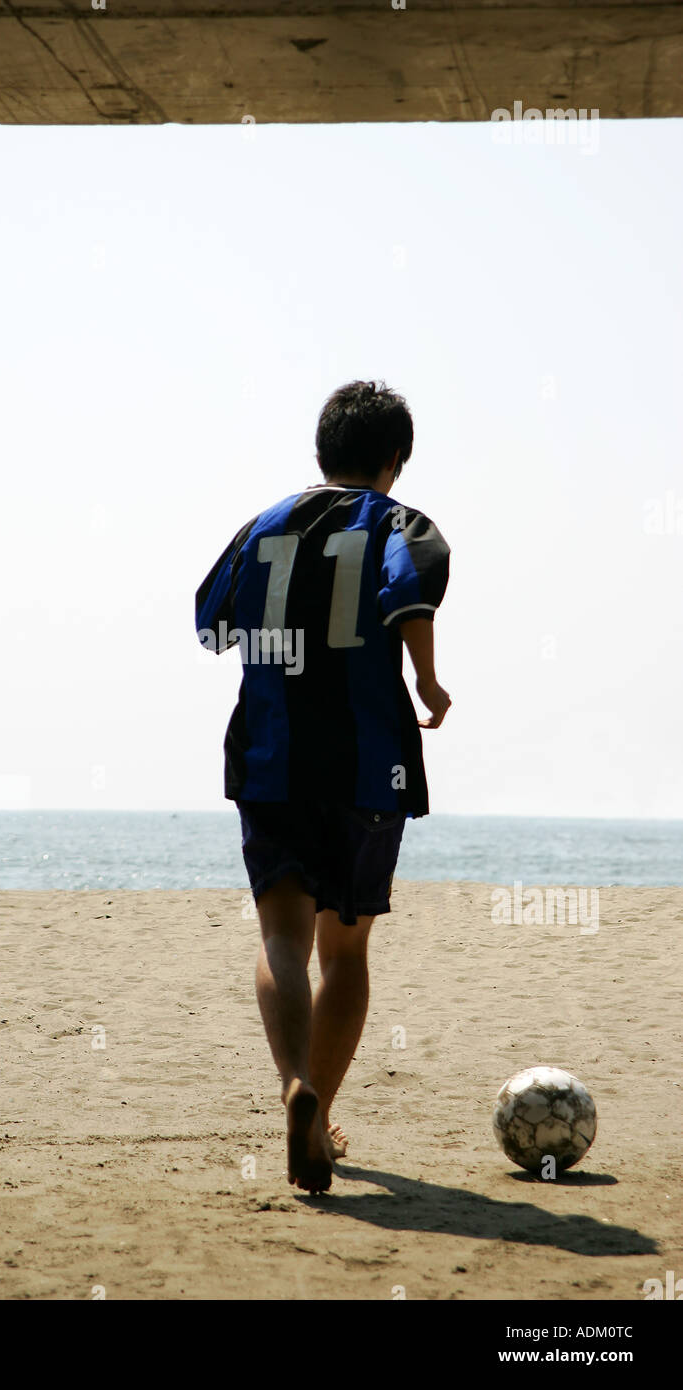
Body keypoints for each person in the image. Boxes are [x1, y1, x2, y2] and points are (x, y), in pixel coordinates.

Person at [195, 380, 451, 1193]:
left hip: (270, 759)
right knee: (346, 949)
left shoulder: (261, 525)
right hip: (368, 760)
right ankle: (322, 1108)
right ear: (394, 461)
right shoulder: (399, 522)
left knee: (282, 939)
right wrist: (429, 681)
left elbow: (211, 623)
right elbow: (410, 594)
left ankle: (292, 1087)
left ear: (320, 451)